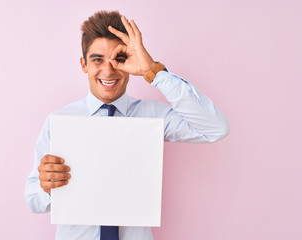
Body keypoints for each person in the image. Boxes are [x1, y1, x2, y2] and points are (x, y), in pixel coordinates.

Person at [25, 10, 229, 240]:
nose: (109, 70)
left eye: (118, 59)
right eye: (97, 59)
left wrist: (152, 70)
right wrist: (46, 187)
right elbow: (33, 201)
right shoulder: (58, 121)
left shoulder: (152, 115)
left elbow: (215, 128)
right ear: (84, 65)